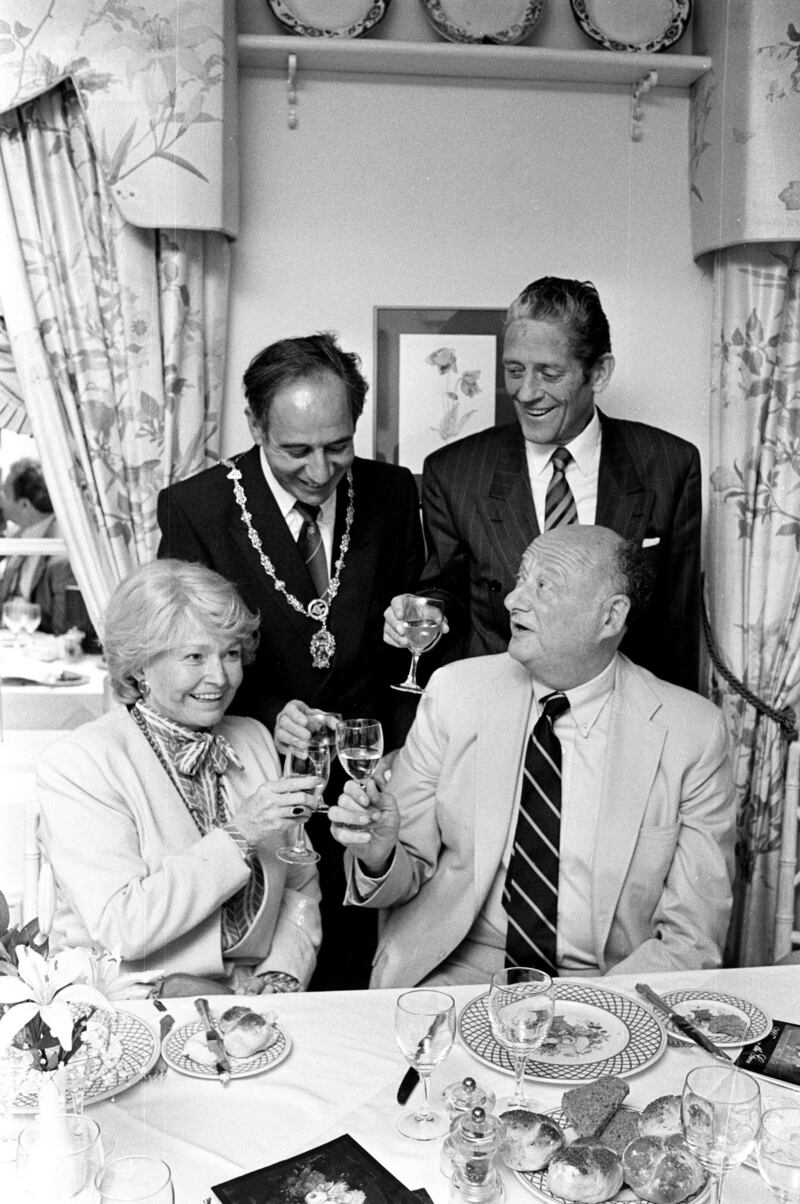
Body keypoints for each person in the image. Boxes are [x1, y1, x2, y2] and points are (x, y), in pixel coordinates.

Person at [332, 526, 734, 989]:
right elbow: (405, 877)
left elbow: (691, 940)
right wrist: (378, 855)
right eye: (521, 579)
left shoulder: (692, 733)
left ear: (610, 617)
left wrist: (598, 1013)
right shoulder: (455, 693)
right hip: (457, 973)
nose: (513, 601)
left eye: (543, 586)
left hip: (609, 985)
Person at [156, 331, 425, 988]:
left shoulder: (393, 494)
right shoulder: (198, 509)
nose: (319, 469)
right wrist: (273, 713)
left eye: (338, 446)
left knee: (363, 963)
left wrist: (393, 741)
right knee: (277, 963)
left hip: (372, 773)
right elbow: (184, 660)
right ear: (254, 425)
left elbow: (419, 641)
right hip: (254, 774)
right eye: (295, 450)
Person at [385, 277, 702, 691]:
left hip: (623, 718)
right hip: (497, 709)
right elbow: (449, 594)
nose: (526, 392)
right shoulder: (454, 472)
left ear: (599, 372)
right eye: (514, 371)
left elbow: (675, 633)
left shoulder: (670, 465)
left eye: (549, 373)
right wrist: (429, 614)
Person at [37, 560, 322, 997]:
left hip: (254, 1001)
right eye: (195, 657)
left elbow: (300, 886)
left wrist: (282, 972)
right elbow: (122, 926)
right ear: (139, 668)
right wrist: (240, 834)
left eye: (230, 653)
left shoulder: (254, 739)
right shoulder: (81, 763)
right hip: (133, 999)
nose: (220, 677)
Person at [0, 458, 75, 633]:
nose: (1, 500)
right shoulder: (17, 538)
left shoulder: (60, 550)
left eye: (6, 493)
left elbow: (63, 632)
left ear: (24, 504)